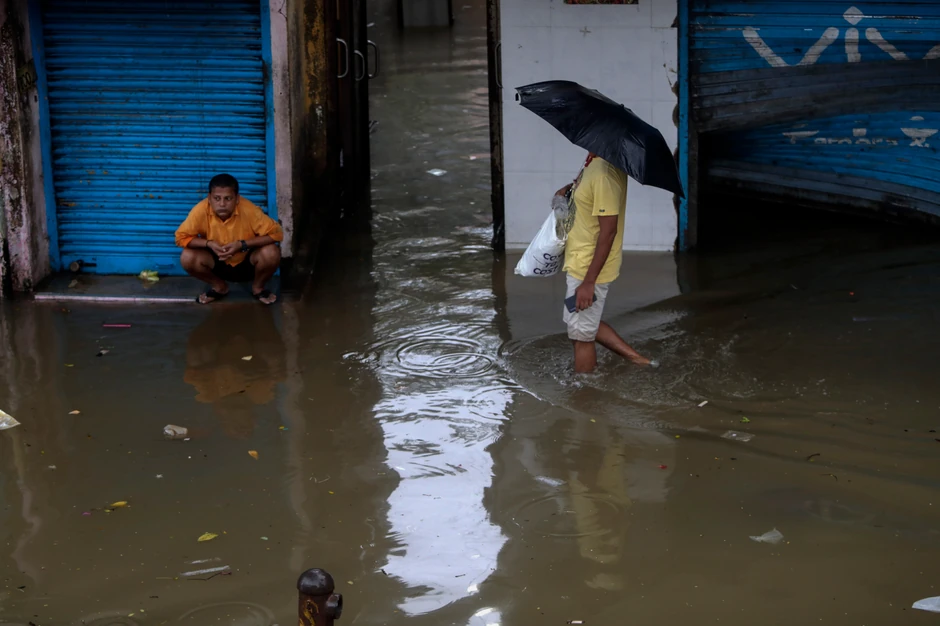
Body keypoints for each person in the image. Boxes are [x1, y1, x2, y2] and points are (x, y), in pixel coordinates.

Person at [557, 153, 651, 373]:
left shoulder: (603, 174)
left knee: (582, 338)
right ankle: (639, 360)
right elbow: (589, 197)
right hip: (579, 261)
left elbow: (608, 232)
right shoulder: (593, 164)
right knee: (581, 327)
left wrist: (589, 283)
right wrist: (568, 190)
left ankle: (585, 395)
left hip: (588, 268)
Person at [175, 174, 283, 305]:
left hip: (247, 262)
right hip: (217, 262)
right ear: (209, 198)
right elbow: (180, 237)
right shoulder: (200, 210)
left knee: (271, 252)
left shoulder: (249, 210)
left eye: (228, 198)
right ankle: (219, 287)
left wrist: (242, 245)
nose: (222, 204)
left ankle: (258, 288)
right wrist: (209, 244)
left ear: (237, 199)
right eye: (217, 198)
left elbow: (277, 234)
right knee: (187, 257)